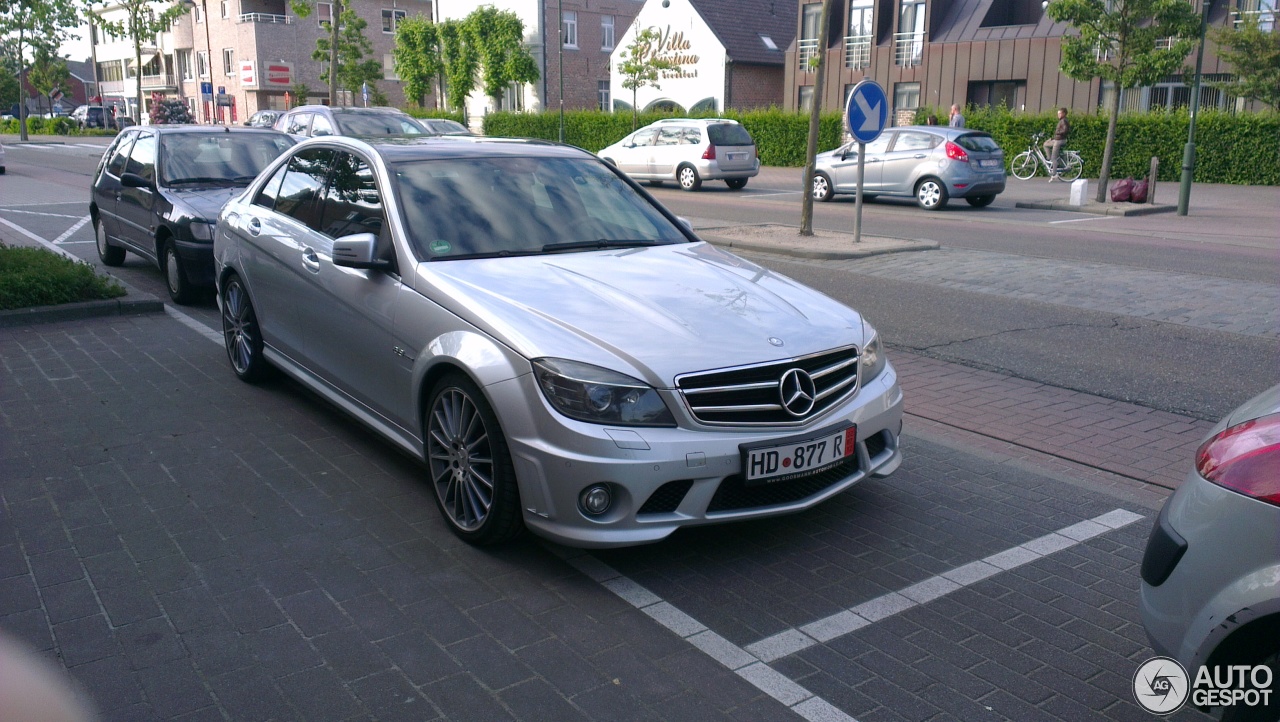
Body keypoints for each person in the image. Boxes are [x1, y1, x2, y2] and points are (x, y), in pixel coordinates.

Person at [1044, 107, 1070, 181]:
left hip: (1060, 140)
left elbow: (1065, 130)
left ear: (1064, 114)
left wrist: (1057, 133)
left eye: (1060, 113)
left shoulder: (1064, 121)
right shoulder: (1062, 120)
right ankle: (1049, 159)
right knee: (1045, 144)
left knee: (1054, 157)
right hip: (1057, 139)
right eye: (1058, 113)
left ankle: (1054, 173)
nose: (1058, 115)